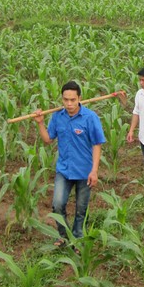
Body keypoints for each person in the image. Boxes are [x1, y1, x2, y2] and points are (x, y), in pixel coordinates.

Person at [33, 80, 106, 247]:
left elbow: (97, 145)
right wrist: (40, 123)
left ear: (80, 98)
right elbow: (48, 140)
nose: (69, 103)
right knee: (57, 205)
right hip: (64, 170)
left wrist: (94, 171)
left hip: (84, 171)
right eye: (66, 100)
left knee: (81, 209)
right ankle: (64, 236)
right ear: (62, 99)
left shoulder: (90, 118)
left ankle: (78, 239)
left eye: (73, 99)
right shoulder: (58, 117)